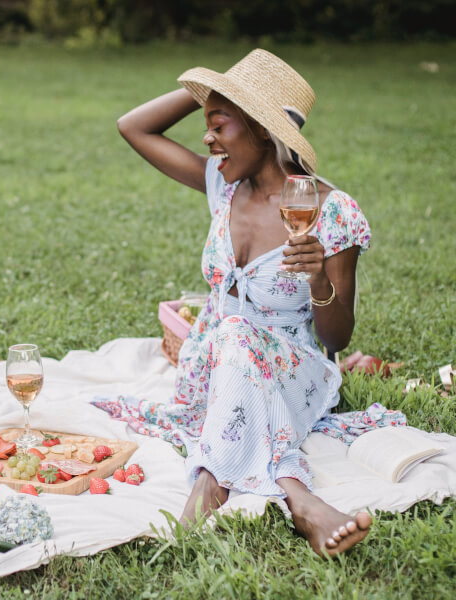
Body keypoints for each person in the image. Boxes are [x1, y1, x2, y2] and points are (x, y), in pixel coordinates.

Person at [113, 49, 373, 555]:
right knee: (231, 335)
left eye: (220, 126)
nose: (207, 139)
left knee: (236, 334)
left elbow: (337, 338)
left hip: (293, 368)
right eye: (207, 126)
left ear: (261, 128)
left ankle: (211, 481)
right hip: (213, 366)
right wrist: (212, 96)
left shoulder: (333, 212)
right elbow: (134, 128)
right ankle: (299, 499)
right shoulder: (222, 185)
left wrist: (319, 277)